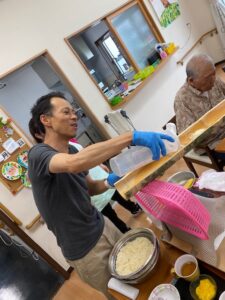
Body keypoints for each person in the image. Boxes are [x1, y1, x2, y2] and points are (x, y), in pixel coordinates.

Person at [28, 91, 174, 299]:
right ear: (46, 120)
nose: (74, 116)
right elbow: (72, 165)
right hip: (84, 250)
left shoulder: (71, 149)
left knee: (138, 273)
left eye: (74, 111)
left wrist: (109, 181)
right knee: (124, 294)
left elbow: (89, 188)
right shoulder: (38, 155)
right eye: (66, 112)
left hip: (103, 224)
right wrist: (131, 137)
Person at [174, 54, 225, 155]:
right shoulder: (182, 100)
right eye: (208, 77)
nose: (214, 79)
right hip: (212, 143)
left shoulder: (214, 80)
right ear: (191, 81)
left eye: (214, 73)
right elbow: (188, 138)